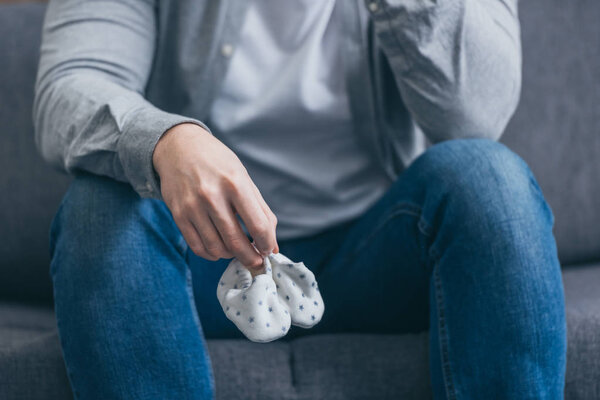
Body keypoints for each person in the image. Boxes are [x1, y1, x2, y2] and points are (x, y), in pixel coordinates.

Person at [34, 0, 566, 399]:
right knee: (101, 209)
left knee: (490, 178)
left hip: (384, 259)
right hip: (203, 267)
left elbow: (475, 120)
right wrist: (168, 141)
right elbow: (71, 84)